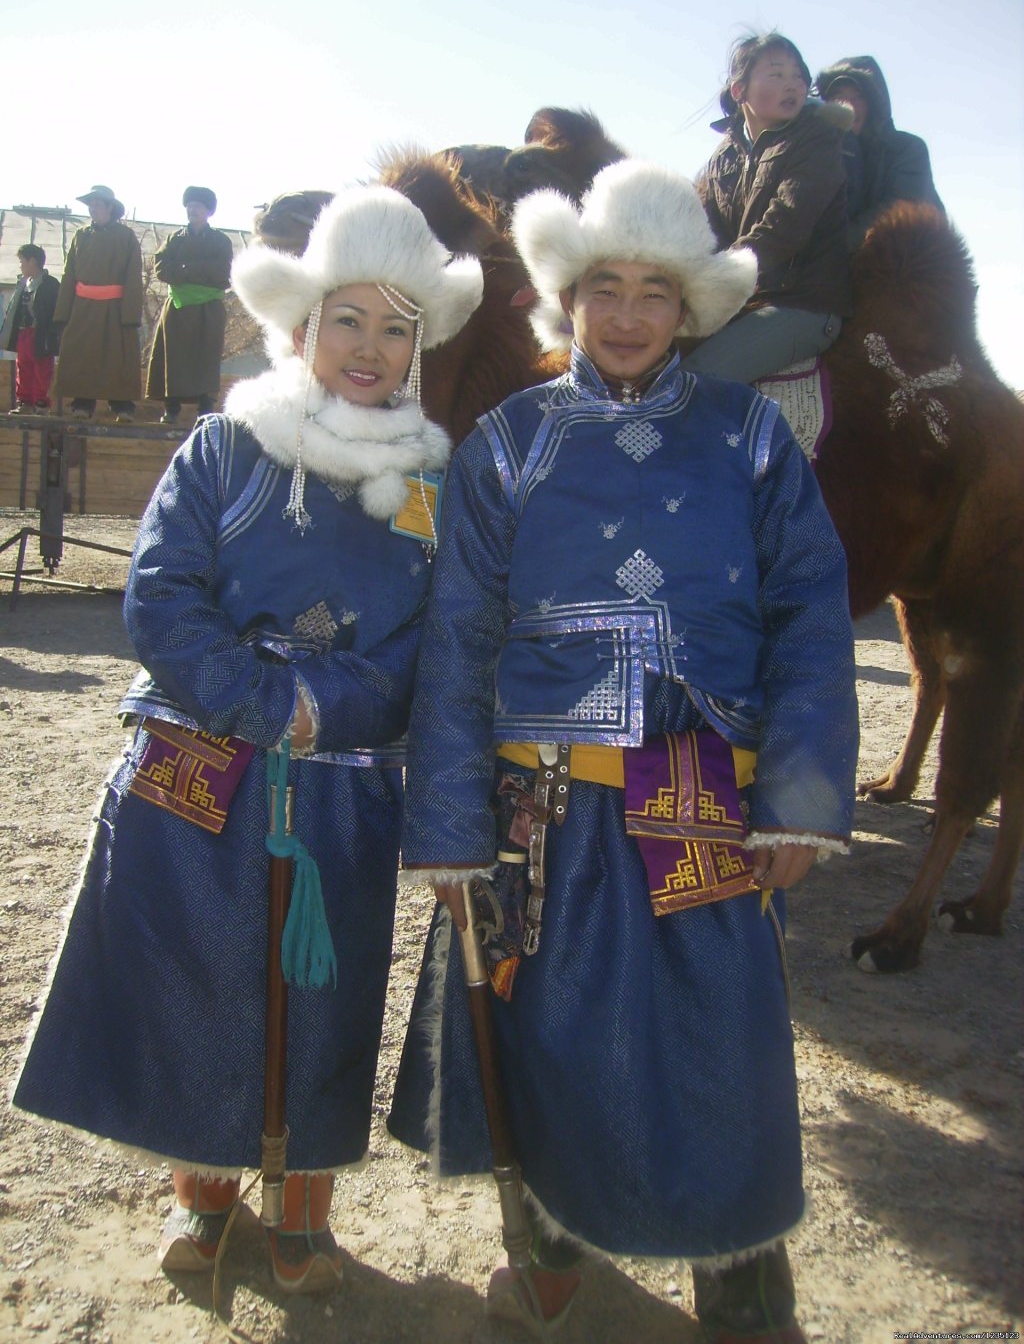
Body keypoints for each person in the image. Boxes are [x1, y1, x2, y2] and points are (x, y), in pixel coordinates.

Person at [387, 159, 858, 1343]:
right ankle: (542, 1252)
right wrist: (447, 826)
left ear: (690, 302)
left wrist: (799, 795)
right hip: (541, 813)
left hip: (706, 799)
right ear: (568, 295)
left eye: (657, 288)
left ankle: (743, 1288)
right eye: (607, 286)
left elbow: (808, 605)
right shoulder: (508, 441)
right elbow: (459, 635)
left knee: (722, 1054)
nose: (632, 313)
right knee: (537, 1034)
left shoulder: (750, 435)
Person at [13, 188, 483, 1292]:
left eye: (397, 325)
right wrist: (257, 701)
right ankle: (206, 1203)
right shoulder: (226, 444)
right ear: (302, 325)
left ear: (419, 344)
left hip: (343, 786)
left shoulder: (428, 481)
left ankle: (302, 1219)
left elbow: (433, 638)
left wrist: (326, 710)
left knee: (322, 995)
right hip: (199, 763)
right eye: (349, 318)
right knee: (200, 979)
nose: (371, 346)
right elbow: (163, 590)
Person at [684, 33, 851, 384]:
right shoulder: (723, 156)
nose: (792, 84)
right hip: (744, 301)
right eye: (776, 74)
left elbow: (784, 226)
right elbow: (704, 233)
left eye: (798, 76)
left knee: (699, 378)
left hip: (803, 304)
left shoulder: (816, 139)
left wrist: (715, 277)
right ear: (739, 90)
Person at [815, 55, 944, 246]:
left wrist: (829, 249)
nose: (849, 105)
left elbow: (898, 211)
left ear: (875, 103)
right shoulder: (815, 152)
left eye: (859, 97)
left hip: (901, 264)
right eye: (838, 96)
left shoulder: (907, 149)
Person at [53, 184, 144, 422]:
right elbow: (68, 274)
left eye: (97, 205)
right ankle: (82, 403)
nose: (92, 209)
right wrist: (62, 313)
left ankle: (122, 405)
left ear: (110, 208)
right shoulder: (80, 236)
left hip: (115, 308)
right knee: (82, 354)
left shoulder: (126, 237)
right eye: (90, 205)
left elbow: (134, 275)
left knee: (117, 357)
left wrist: (131, 314)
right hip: (83, 307)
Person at [146, 186, 234, 425]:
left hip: (209, 310)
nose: (193, 210)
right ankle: (171, 407)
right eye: (189, 206)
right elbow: (162, 268)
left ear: (208, 212)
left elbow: (223, 272)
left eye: (198, 206)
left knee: (206, 357)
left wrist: (186, 270)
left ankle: (205, 408)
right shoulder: (173, 240)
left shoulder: (220, 241)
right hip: (178, 307)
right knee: (172, 356)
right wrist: (193, 271)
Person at [2, 244, 60, 413]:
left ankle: (41, 403)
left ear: (32, 261)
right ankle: (24, 402)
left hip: (40, 333)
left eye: (22, 262)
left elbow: (55, 310)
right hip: (23, 331)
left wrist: (52, 334)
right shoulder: (22, 283)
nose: (21, 265)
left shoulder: (50, 284)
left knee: (42, 367)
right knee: (23, 366)